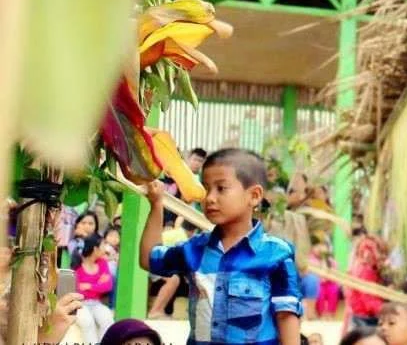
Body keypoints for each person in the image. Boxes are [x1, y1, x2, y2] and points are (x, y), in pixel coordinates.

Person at [140, 147, 303, 345]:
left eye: (221, 188)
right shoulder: (194, 250)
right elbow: (149, 258)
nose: (209, 198)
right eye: (206, 188)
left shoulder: (276, 254)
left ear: (254, 196)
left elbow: (286, 316)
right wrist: (156, 204)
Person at [75, 233, 115, 342]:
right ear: (95, 248)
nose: (105, 248)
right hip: (79, 304)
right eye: (103, 245)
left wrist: (88, 286)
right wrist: (98, 284)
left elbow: (108, 286)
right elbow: (77, 290)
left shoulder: (102, 263)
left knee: (107, 319)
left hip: (96, 303)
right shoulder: (77, 265)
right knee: (87, 322)